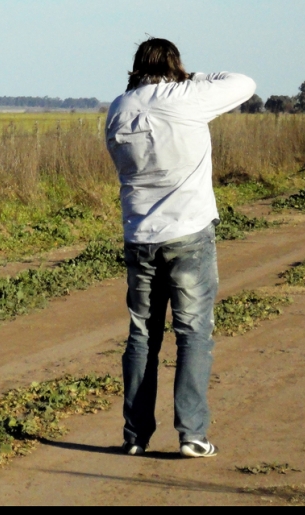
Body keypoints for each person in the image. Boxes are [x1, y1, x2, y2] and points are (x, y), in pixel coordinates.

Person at [105, 38, 256, 458]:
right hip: (188, 233)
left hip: (138, 236)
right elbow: (244, 83)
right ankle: (192, 433)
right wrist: (191, 77)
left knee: (141, 337)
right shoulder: (185, 96)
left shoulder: (119, 108)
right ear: (175, 65)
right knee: (193, 333)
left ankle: (135, 435)